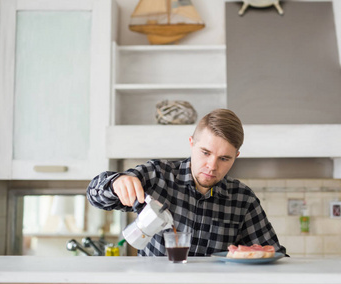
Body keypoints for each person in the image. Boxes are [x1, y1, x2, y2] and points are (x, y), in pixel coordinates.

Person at [87, 108, 286, 256]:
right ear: (192, 144)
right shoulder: (158, 176)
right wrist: (115, 183)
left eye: (224, 158)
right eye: (205, 153)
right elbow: (94, 195)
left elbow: (275, 255)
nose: (212, 166)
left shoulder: (243, 200)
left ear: (236, 156)